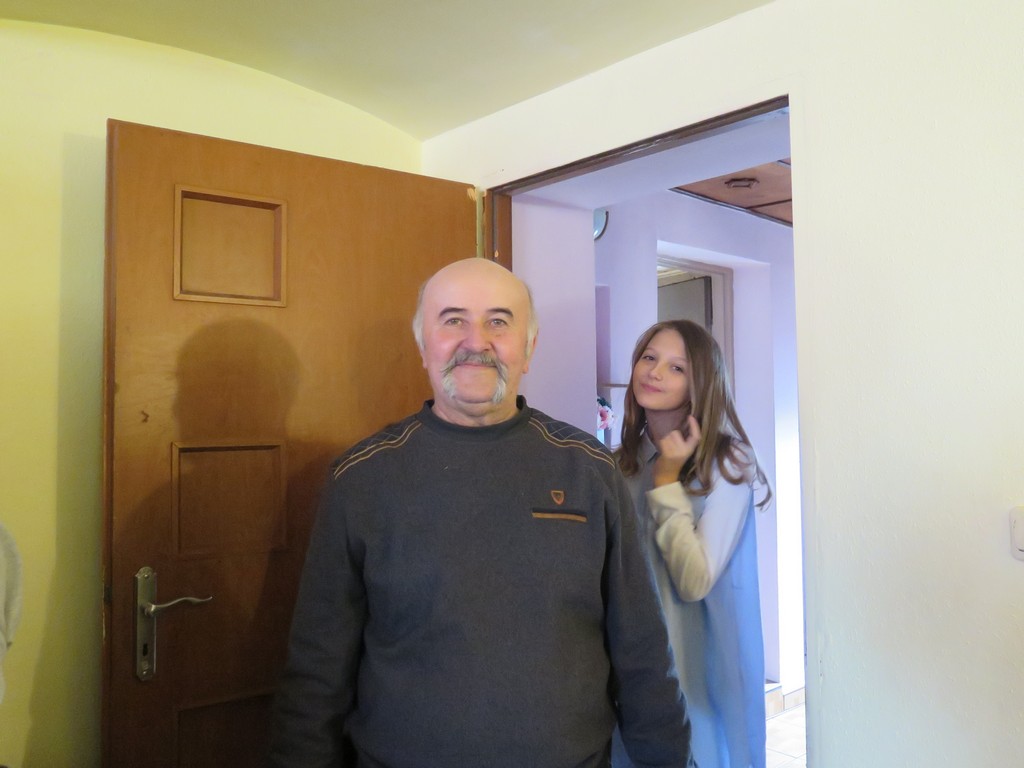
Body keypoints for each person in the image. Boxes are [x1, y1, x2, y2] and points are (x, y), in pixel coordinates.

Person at [270, 258, 694, 768]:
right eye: (453, 320)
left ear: (528, 349)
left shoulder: (590, 470)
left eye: (499, 321)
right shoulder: (360, 479)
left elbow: (643, 652)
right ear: (423, 345)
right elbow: (317, 672)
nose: (477, 342)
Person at [612, 320, 772, 768]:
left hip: (699, 669)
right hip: (630, 668)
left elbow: (695, 580)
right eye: (649, 358)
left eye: (676, 367)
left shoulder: (727, 463)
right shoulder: (618, 464)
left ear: (700, 382)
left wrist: (666, 482)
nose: (655, 371)